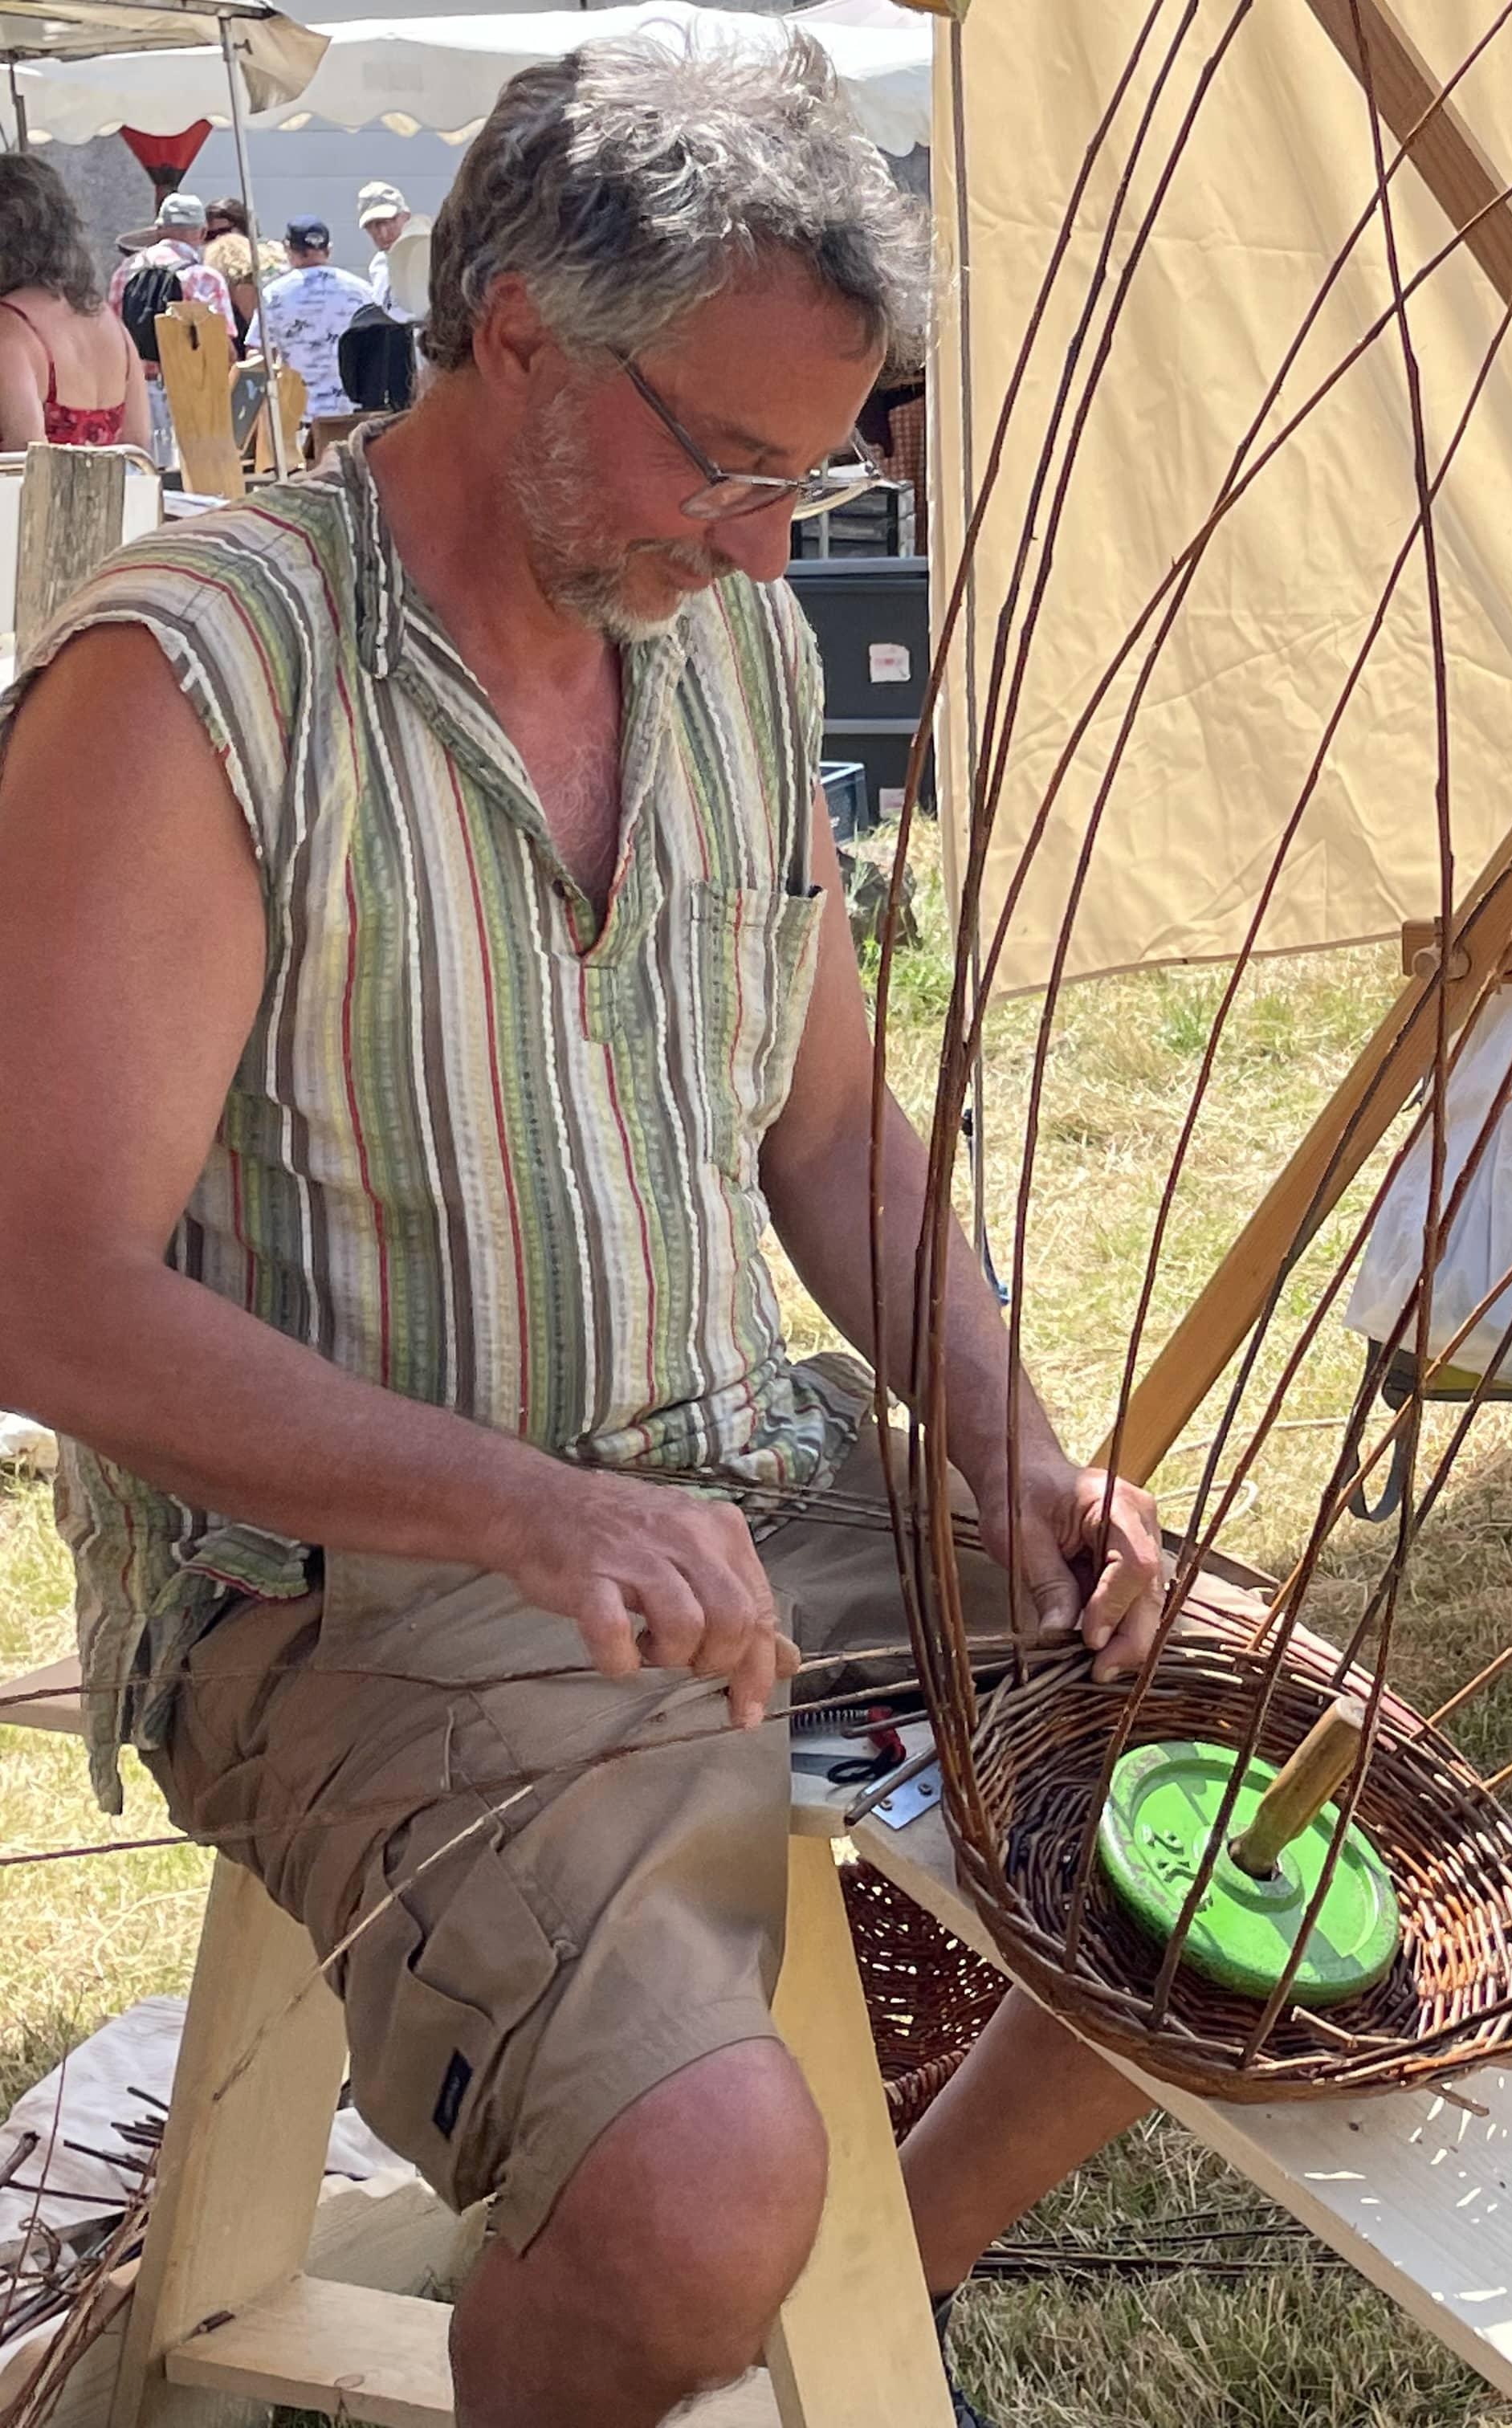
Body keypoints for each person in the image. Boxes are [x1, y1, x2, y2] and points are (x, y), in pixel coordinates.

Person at [0, 39, 1166, 2428]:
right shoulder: (201, 680)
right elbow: (40, 1283)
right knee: (692, 2190)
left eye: (811, 476)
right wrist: (524, 1505)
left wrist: (1021, 1456)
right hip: (344, 1580)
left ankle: (817, 2316)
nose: (769, 542)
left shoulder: (724, 646)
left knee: (1252, 1813)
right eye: (733, 462)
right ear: (515, 329)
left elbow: (829, 1126)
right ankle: (710, 2288)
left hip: (725, 1473)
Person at [0, 155, 139, 450]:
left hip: (32, 495)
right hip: (111, 495)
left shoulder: (9, 326)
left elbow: (22, 457)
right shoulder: (110, 322)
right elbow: (137, 445)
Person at [106, 191, 234, 467]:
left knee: (142, 473)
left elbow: (113, 339)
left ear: (160, 229)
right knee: (188, 480)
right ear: (201, 233)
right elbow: (222, 348)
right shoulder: (205, 278)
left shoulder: (124, 272)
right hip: (189, 392)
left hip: (135, 394)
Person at [256, 215, 377, 446]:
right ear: (328, 250)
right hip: (352, 412)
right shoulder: (362, 291)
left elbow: (259, 355)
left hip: (298, 415)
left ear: (289, 249)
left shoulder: (274, 295)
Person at [356, 175, 426, 304]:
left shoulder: (429, 256)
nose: (383, 233)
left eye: (389, 222)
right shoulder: (379, 266)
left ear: (406, 217)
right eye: (373, 225)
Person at [201, 195, 261, 337]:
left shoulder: (263, 261)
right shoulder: (203, 271)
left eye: (223, 232)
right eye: (209, 235)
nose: (217, 241)